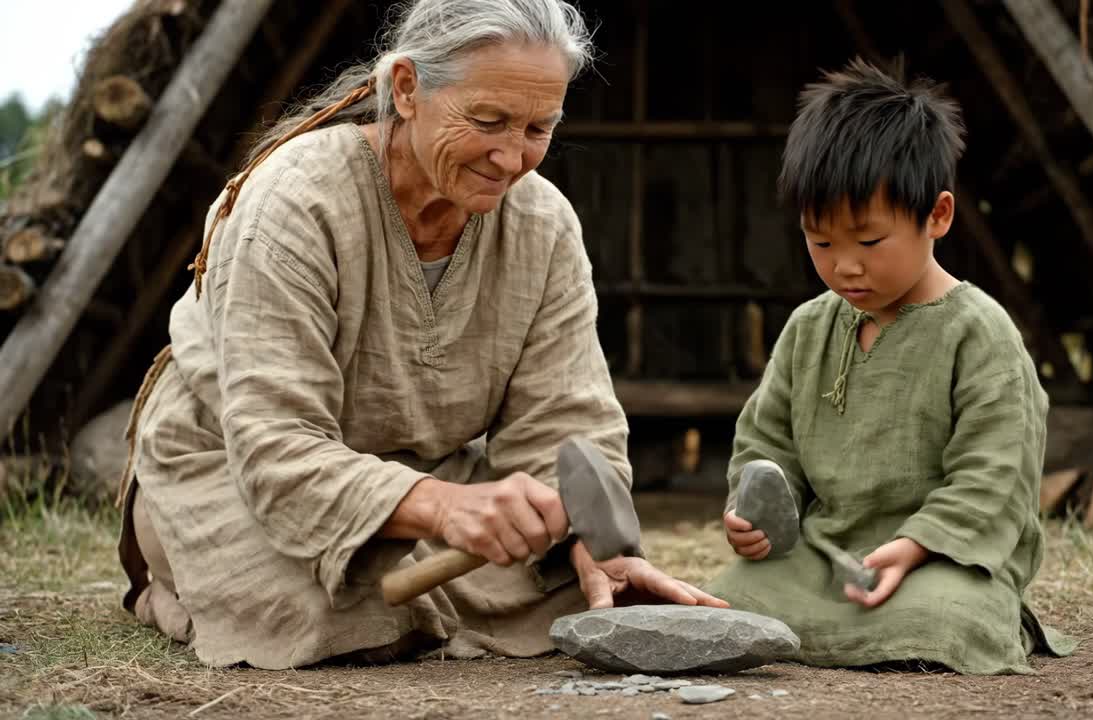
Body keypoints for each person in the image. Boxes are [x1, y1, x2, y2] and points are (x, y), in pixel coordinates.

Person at [116, 0, 725, 670]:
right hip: (235, 474)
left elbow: (566, 420)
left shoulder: (543, 227)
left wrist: (595, 543)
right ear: (406, 89)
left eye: (538, 128)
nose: (511, 156)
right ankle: (173, 586)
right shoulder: (296, 202)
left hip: (421, 482)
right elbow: (274, 446)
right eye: (488, 121)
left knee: (577, 594)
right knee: (330, 612)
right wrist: (440, 509)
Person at [704, 59, 1076, 674]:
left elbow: (996, 471)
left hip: (939, 561)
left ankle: (944, 614)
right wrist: (754, 512)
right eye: (820, 243)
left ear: (938, 215)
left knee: (944, 620)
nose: (844, 266)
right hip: (824, 557)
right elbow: (767, 443)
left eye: (869, 242)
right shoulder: (809, 328)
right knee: (732, 595)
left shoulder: (979, 333)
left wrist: (912, 547)